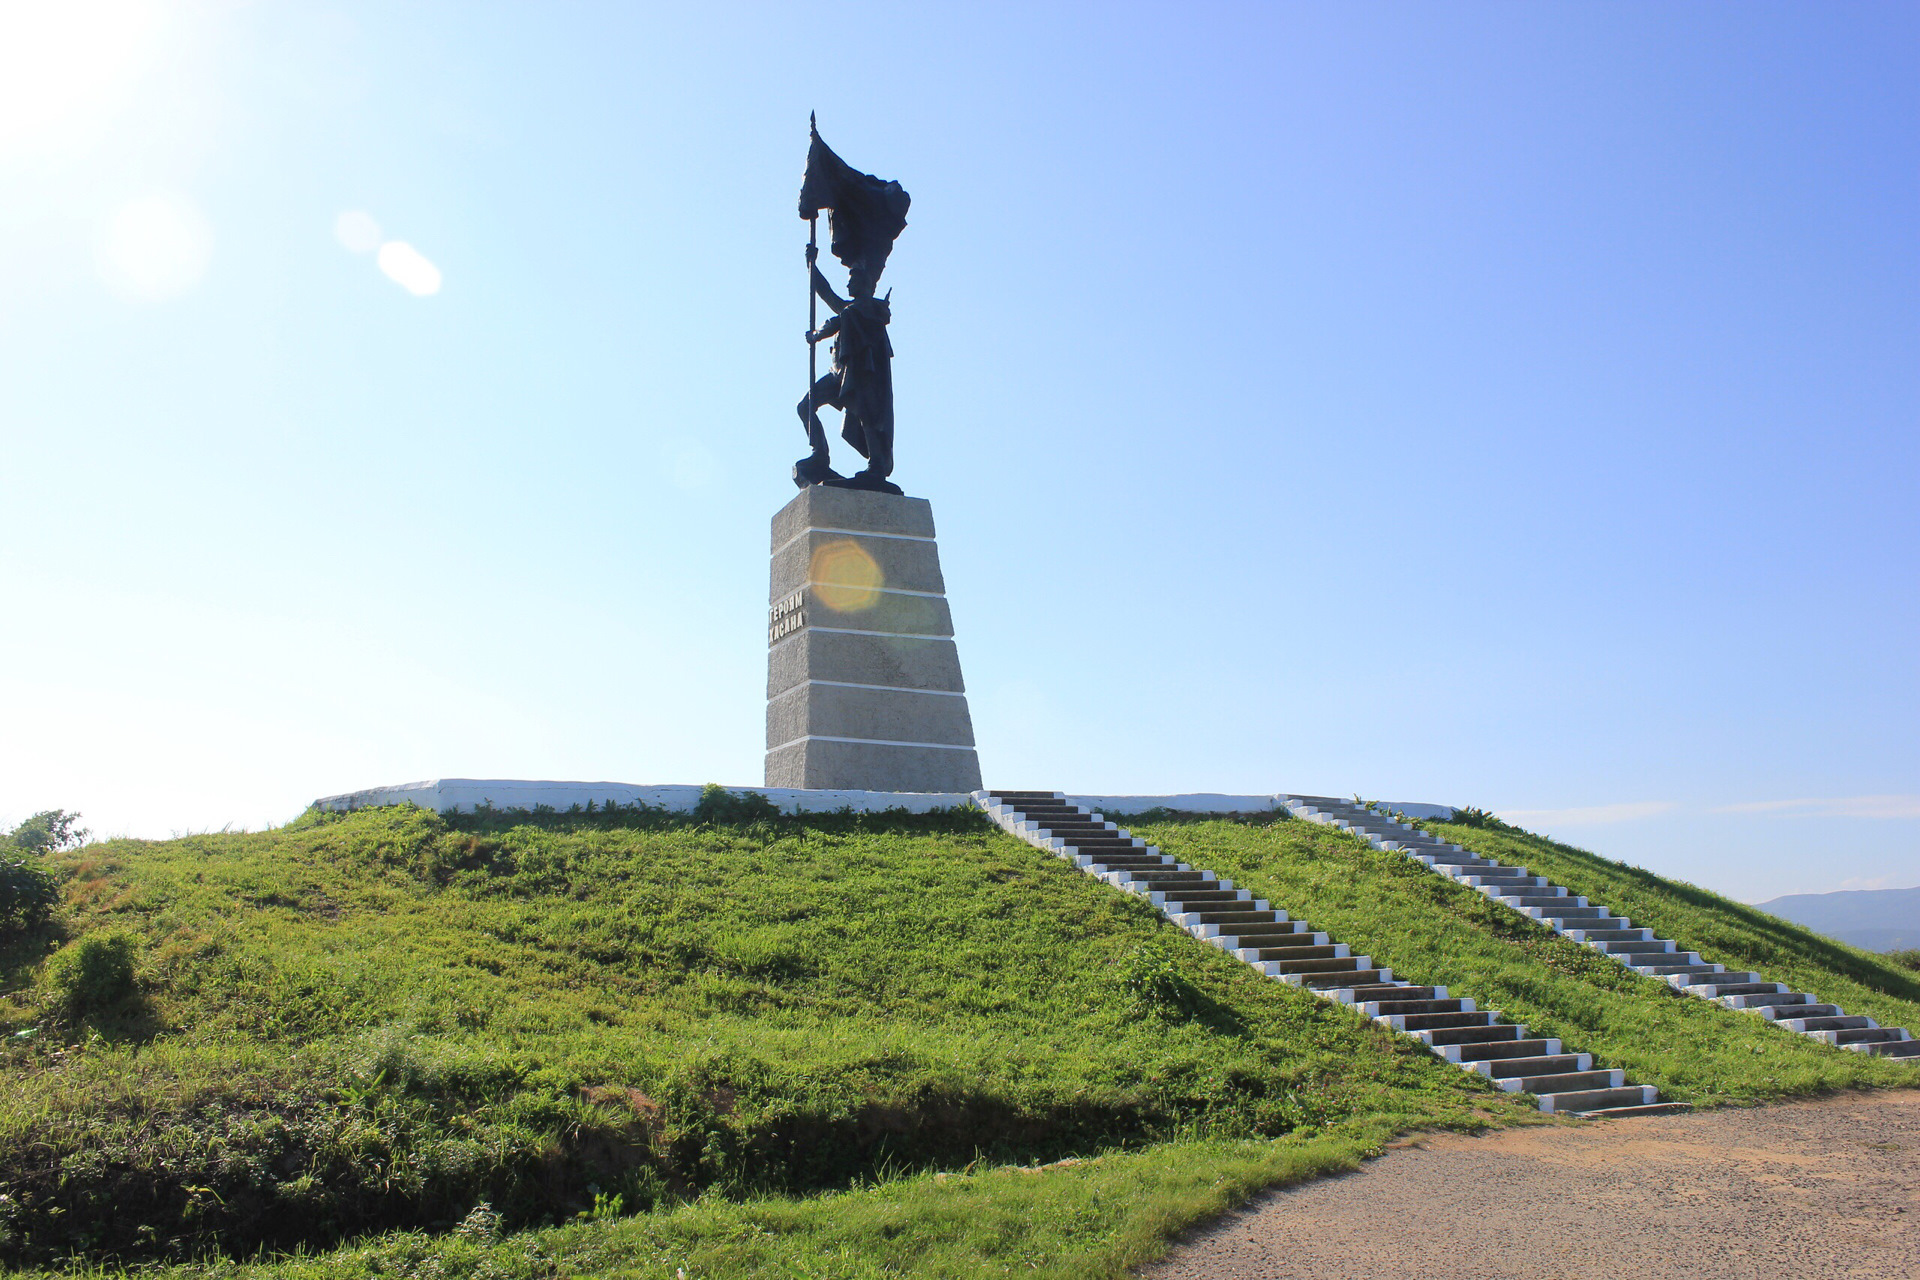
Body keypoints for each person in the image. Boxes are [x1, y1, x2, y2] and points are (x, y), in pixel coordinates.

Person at [795, 242, 901, 494]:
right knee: (805, 406)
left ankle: (876, 465)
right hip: (839, 373)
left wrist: (817, 335)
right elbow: (827, 293)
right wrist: (812, 265)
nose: (848, 284)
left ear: (866, 283)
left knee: (867, 417)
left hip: (862, 374)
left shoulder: (868, 310)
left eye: (853, 279)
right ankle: (820, 453)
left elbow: (840, 318)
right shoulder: (850, 308)